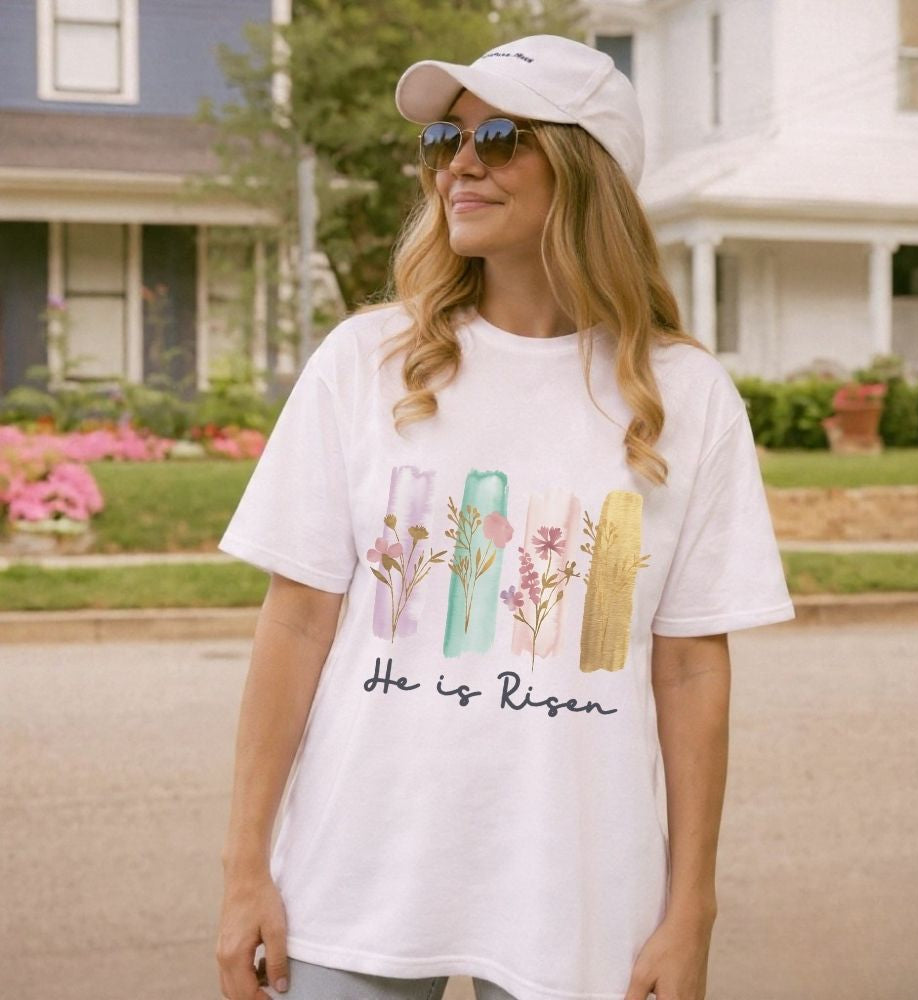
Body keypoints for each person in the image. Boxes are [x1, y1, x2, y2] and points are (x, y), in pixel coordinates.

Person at [214, 32, 795, 1000]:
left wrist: (690, 906)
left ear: (585, 168)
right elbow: (296, 621)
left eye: (502, 136)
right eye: (447, 138)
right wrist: (243, 872)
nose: (462, 163)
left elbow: (692, 667)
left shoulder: (683, 397)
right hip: (354, 880)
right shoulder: (367, 363)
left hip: (577, 897)